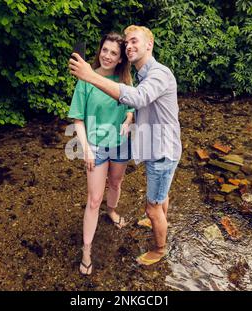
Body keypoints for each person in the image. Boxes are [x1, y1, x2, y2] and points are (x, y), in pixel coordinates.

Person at [69, 25, 182, 266]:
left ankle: (159, 248)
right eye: (126, 43)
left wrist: (90, 75)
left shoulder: (156, 74)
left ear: (149, 45)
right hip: (139, 148)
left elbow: (137, 99)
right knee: (158, 197)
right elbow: (136, 102)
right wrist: (129, 118)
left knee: (152, 207)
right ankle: (89, 248)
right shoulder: (140, 75)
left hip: (161, 151)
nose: (128, 46)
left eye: (134, 42)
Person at [68, 32, 135, 275]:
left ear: (120, 59)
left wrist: (129, 118)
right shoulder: (86, 79)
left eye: (113, 53)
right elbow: (77, 119)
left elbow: (131, 107)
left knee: (116, 182)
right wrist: (85, 149)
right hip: (95, 146)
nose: (107, 56)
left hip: (120, 144)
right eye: (104, 50)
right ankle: (86, 249)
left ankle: (112, 211)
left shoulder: (124, 81)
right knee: (94, 198)